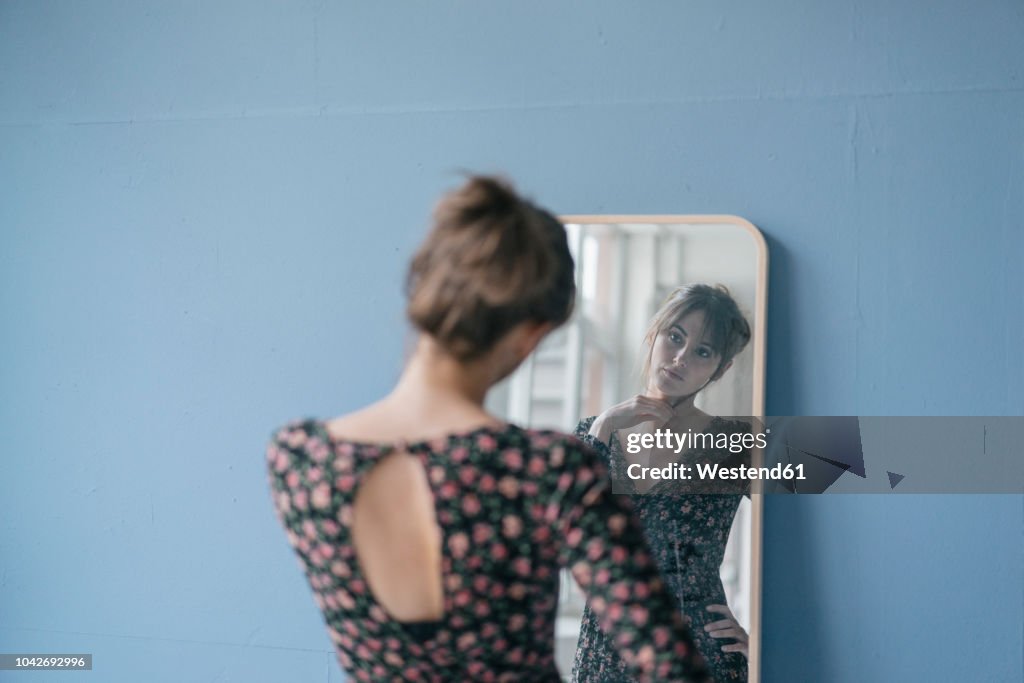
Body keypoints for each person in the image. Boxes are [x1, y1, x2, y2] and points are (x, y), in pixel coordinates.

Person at [266, 176, 711, 682]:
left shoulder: (299, 459)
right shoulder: (548, 470)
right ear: (530, 335)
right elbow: (673, 670)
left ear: (422, 286)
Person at [572, 284, 753, 682]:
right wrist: (602, 432)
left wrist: (765, 635)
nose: (681, 357)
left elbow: (798, 542)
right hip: (606, 654)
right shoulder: (595, 434)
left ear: (720, 369)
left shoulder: (734, 445)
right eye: (675, 337)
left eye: (702, 351)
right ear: (654, 334)